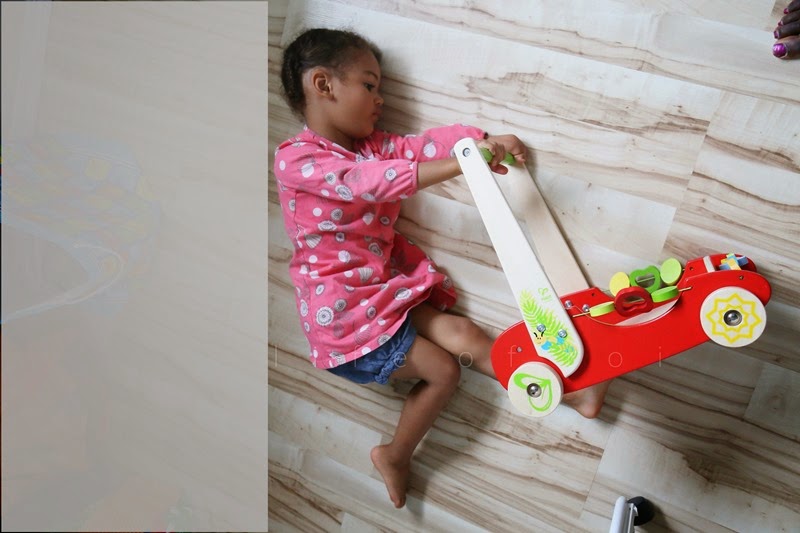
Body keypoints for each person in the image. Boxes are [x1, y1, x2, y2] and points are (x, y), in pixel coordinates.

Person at [274, 28, 611, 509]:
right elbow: (366, 183)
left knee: (463, 333)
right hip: (345, 323)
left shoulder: (373, 147)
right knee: (444, 371)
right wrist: (466, 164)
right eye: (369, 85)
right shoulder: (297, 159)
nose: (380, 99)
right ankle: (394, 454)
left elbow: (421, 148)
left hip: (382, 296)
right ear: (323, 85)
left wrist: (481, 143)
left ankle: (571, 391)